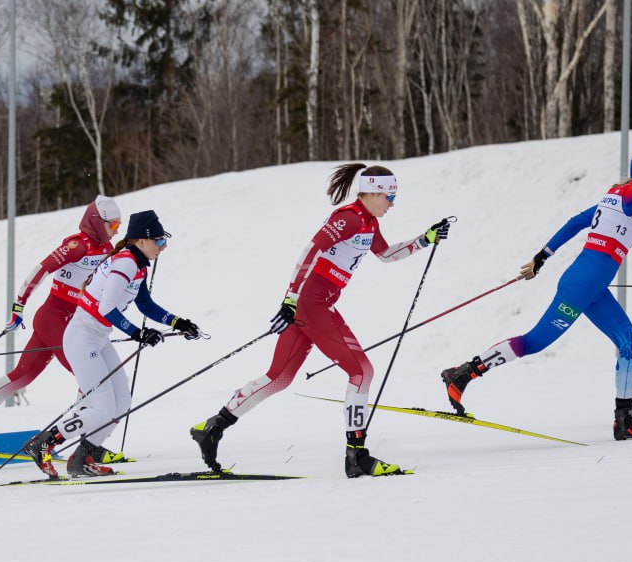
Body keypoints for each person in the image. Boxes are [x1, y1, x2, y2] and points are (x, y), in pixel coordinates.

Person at [191, 163, 450, 478]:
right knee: (362, 371)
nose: (392, 204)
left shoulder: (368, 223)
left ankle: (212, 427)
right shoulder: (349, 218)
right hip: (311, 304)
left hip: (315, 304)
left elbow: (386, 255)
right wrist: (290, 298)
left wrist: (425, 239)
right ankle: (356, 455)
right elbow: (310, 251)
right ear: (372, 192)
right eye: (389, 197)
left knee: (279, 377)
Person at [439, 147, 632, 440]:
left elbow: (576, 222)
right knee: (534, 342)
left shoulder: (617, 194)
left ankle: (624, 420)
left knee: (631, 345)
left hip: (592, 288)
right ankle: (463, 373)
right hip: (582, 287)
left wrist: (542, 256)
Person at [22, 210, 201, 479]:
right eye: (159, 241)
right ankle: (44, 443)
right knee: (102, 408)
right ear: (141, 240)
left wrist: (178, 322)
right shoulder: (126, 262)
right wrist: (138, 333)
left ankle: (82, 458)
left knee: (121, 403)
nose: (163, 247)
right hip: (82, 338)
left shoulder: (138, 264)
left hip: (97, 338)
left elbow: (145, 304)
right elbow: (106, 308)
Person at [0, 195, 122, 452]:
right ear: (98, 222)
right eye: (113, 225)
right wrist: (18, 306)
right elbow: (40, 270)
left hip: (72, 321)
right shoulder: (77, 245)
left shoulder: (106, 248)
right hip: (54, 319)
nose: (115, 231)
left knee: (23, 375)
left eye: (119, 226)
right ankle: (88, 446)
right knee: (88, 375)